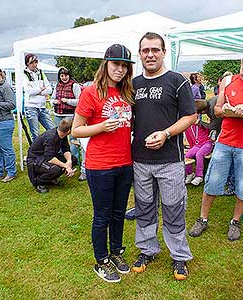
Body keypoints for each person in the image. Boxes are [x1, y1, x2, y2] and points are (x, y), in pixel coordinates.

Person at [131, 32, 197, 281]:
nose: (150, 54)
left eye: (155, 50)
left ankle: (179, 257)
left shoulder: (177, 81)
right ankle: (147, 250)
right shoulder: (133, 84)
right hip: (140, 159)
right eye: (145, 50)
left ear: (163, 52)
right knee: (145, 208)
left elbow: (190, 116)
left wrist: (166, 133)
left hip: (170, 159)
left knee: (173, 209)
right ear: (140, 54)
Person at [188, 49, 243, 240]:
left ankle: (235, 222)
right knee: (212, 182)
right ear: (241, 63)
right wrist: (225, 109)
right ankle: (203, 219)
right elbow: (217, 109)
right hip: (224, 141)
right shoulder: (228, 81)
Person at [71, 44, 135, 283]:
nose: (119, 69)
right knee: (102, 215)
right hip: (100, 165)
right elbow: (76, 130)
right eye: (116, 64)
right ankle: (102, 260)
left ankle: (116, 252)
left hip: (124, 162)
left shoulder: (127, 92)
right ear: (106, 64)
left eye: (124, 65)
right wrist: (101, 127)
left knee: (119, 213)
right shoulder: (91, 92)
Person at [50, 66, 84, 180]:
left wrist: (67, 101)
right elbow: (52, 98)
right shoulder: (57, 85)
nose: (64, 77)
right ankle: (62, 160)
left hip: (70, 115)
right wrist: (53, 101)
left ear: (69, 75)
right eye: (62, 75)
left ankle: (74, 160)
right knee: (59, 137)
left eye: (66, 75)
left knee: (73, 138)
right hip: (58, 115)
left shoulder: (74, 85)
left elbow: (80, 101)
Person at [26, 118, 78, 193]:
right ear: (69, 131)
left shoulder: (62, 134)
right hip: (35, 160)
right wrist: (66, 166)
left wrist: (69, 162)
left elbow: (65, 149)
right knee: (55, 169)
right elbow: (49, 158)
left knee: (73, 159)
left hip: (48, 157)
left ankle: (51, 178)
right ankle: (38, 182)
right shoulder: (51, 137)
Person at [23, 53, 54, 141]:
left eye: (36, 62)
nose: (34, 64)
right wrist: (41, 89)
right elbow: (29, 91)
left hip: (42, 106)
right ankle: (36, 153)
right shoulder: (24, 74)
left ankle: (54, 150)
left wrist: (38, 91)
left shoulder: (41, 73)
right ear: (27, 64)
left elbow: (49, 89)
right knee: (35, 133)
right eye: (31, 62)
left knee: (52, 129)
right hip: (31, 107)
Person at [185, 101, 213, 186]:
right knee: (187, 155)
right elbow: (190, 138)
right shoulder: (188, 126)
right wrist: (191, 147)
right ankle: (190, 174)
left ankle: (199, 176)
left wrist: (206, 123)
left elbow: (210, 130)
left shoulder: (201, 123)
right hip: (197, 145)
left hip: (207, 143)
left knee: (199, 154)